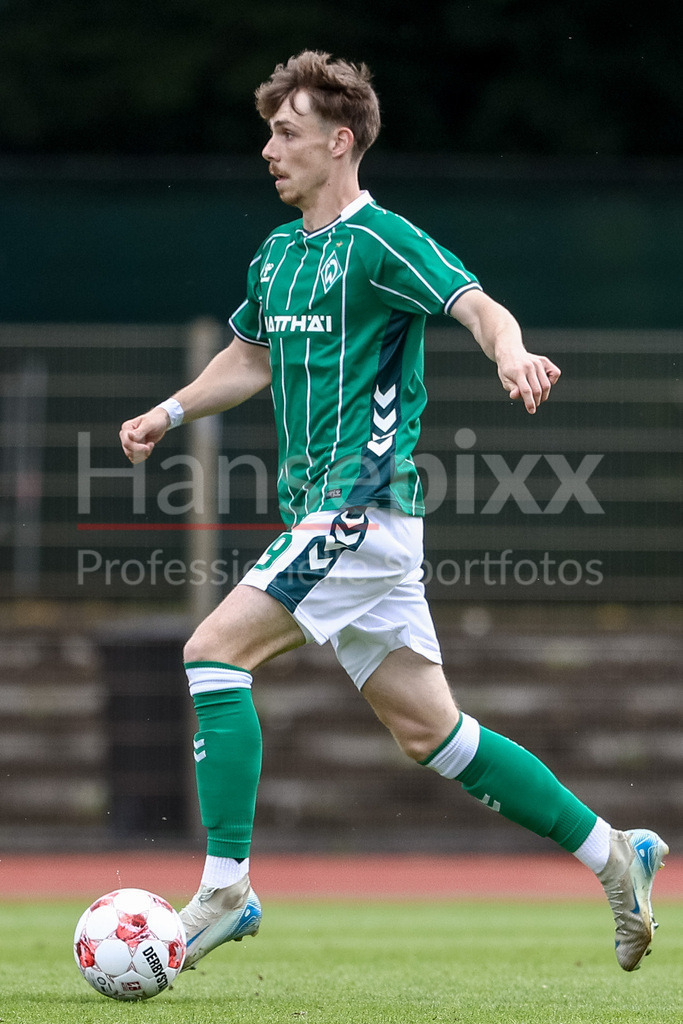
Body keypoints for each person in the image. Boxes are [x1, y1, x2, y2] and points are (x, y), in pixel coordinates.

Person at [119, 50, 667, 974]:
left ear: (340, 142)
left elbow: (475, 303)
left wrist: (509, 351)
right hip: (331, 522)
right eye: (267, 133)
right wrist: (168, 412)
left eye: (285, 133)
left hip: (359, 510)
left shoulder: (382, 241)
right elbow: (249, 359)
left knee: (213, 651)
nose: (267, 149)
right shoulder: (277, 255)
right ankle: (614, 853)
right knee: (435, 735)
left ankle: (225, 885)